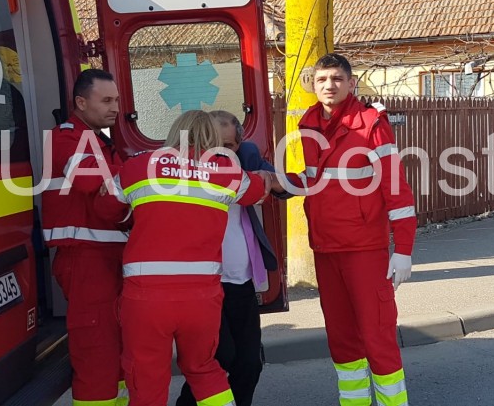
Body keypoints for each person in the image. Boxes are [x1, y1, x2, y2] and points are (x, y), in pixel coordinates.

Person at [107, 110, 272, 406]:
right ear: (210, 137)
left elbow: (105, 209)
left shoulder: (139, 166)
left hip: (146, 299)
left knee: (146, 377)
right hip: (201, 298)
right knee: (206, 370)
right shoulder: (225, 173)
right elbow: (260, 190)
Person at [286, 53, 417, 406]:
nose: (329, 85)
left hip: (364, 249)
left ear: (351, 82)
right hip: (326, 248)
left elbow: (397, 191)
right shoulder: (309, 123)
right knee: (342, 341)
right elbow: (317, 179)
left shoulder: (372, 124)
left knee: (377, 337)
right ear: (314, 86)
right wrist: (281, 182)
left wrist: (403, 249)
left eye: (337, 79)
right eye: (322, 80)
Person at [175, 110, 287, 406]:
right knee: (220, 358)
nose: (224, 153)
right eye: (217, 146)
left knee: (250, 364)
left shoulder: (244, 157)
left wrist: (267, 177)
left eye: (231, 146)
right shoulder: (184, 166)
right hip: (203, 283)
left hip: (241, 280)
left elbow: (282, 186)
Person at [41, 68, 130, 406]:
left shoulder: (100, 142)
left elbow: (119, 187)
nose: (114, 108)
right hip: (85, 258)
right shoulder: (65, 138)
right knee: (97, 351)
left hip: (108, 257)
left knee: (117, 348)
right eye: (106, 100)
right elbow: (96, 183)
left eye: (117, 100)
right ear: (80, 101)